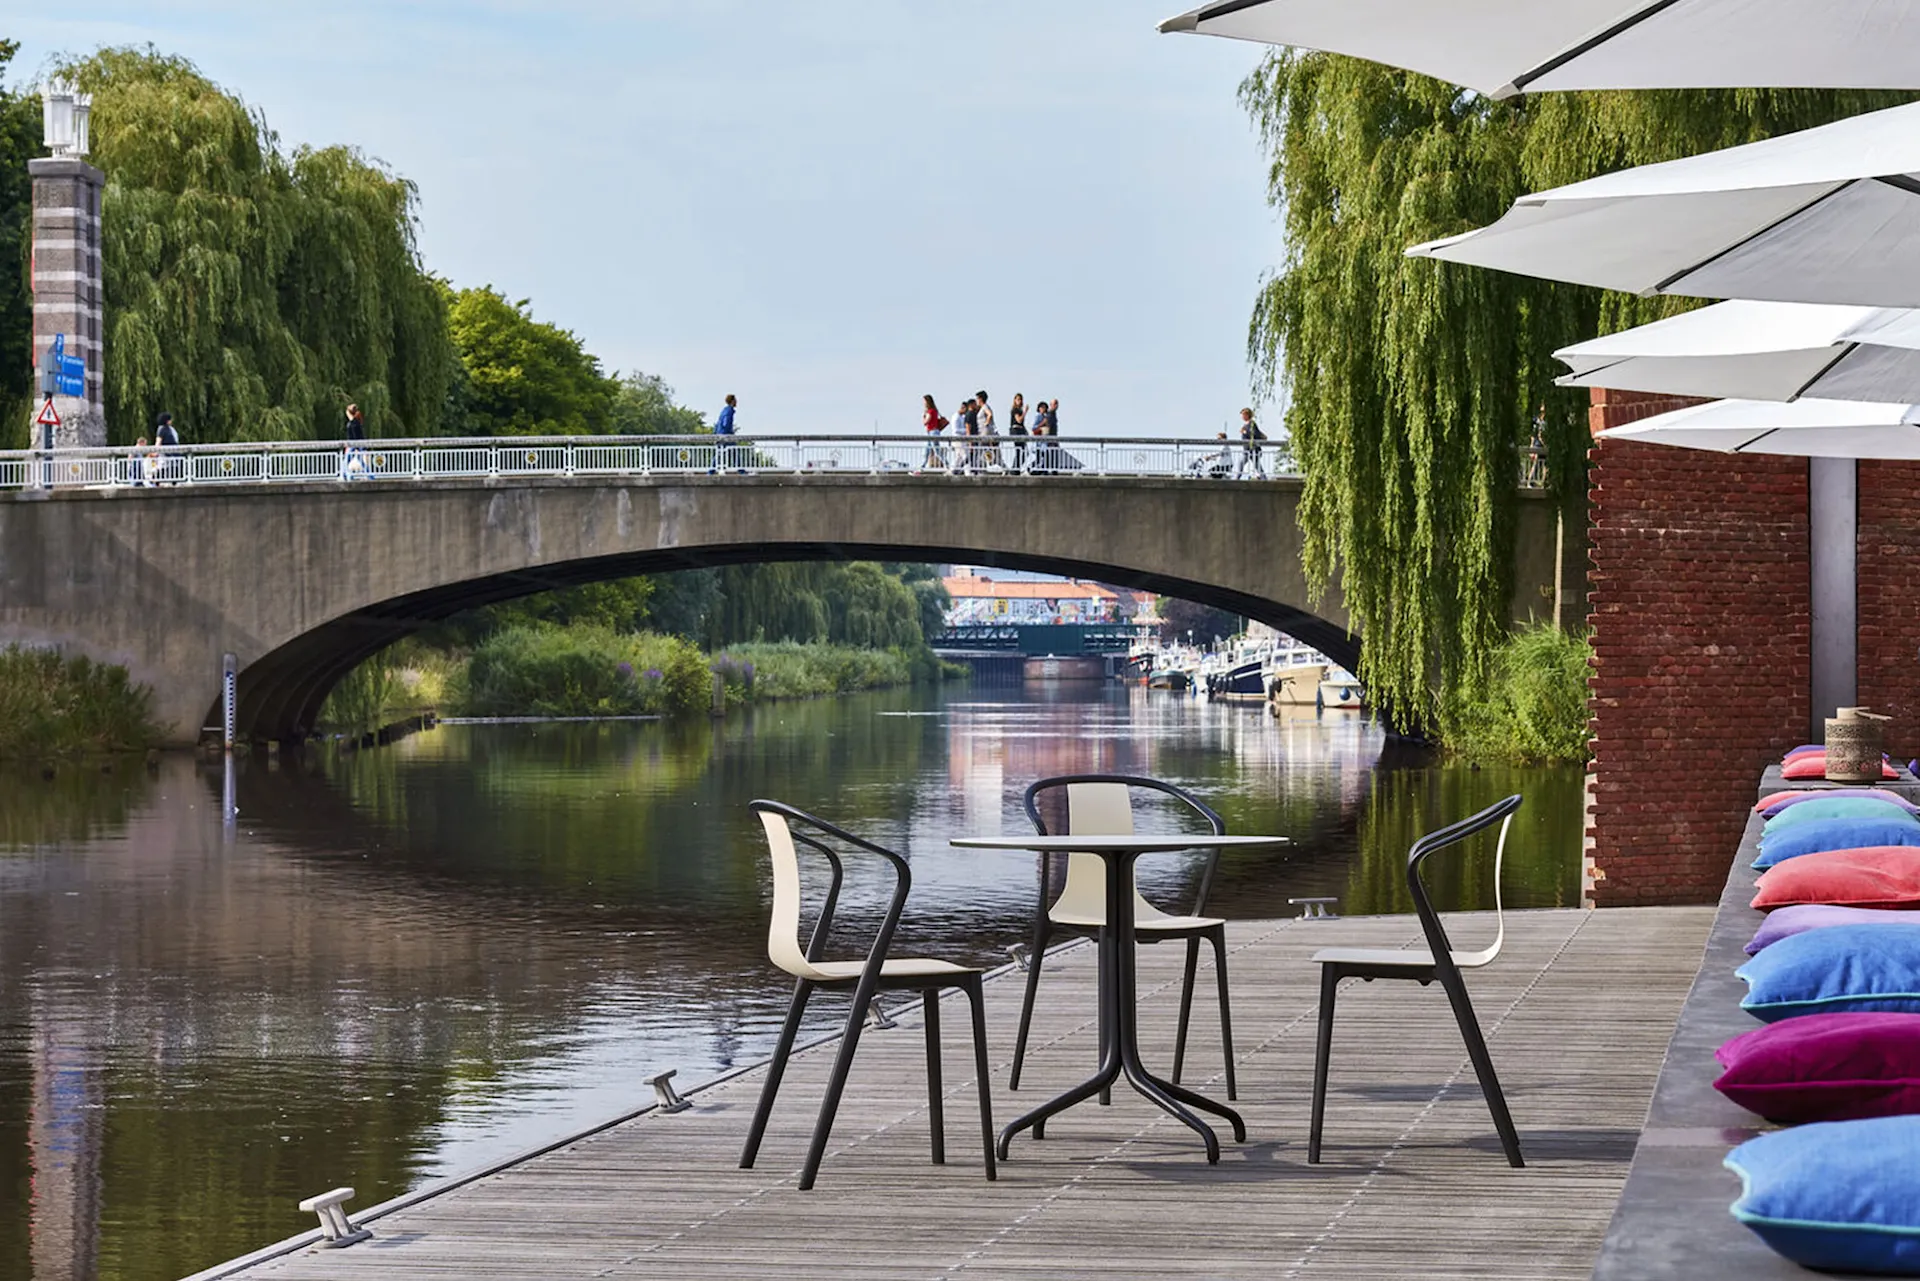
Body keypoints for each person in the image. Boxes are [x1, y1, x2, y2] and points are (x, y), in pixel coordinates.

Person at [1236, 406, 1267, 479]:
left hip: (1251, 449)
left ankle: (1237, 477)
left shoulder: (1251, 424)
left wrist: (1244, 432)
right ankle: (1264, 478)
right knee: (1256, 465)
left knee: (1243, 463)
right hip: (1247, 449)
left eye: (1243, 415)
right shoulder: (1246, 424)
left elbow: (1254, 434)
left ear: (1247, 415)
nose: (1242, 417)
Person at [920, 394, 949, 472]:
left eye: (924, 401)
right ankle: (922, 466)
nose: (924, 403)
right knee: (928, 450)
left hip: (932, 432)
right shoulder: (935, 411)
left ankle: (946, 464)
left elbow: (926, 422)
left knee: (936, 450)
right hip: (932, 432)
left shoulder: (931, 411)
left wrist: (924, 416)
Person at [342, 402, 369, 480]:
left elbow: (355, 435)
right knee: (360, 461)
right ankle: (370, 475)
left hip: (354, 445)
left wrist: (356, 446)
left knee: (346, 461)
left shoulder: (354, 423)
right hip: (355, 444)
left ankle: (346, 475)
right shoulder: (354, 422)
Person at [976, 390, 1001, 470]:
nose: (976, 401)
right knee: (986, 452)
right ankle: (985, 466)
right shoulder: (982, 408)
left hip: (985, 434)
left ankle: (985, 466)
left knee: (983, 451)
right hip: (983, 434)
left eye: (977, 399)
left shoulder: (985, 407)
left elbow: (989, 414)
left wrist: (986, 423)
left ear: (980, 399)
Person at [154, 411, 182, 483]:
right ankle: (156, 481)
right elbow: (158, 441)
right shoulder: (162, 429)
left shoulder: (169, 428)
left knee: (173, 467)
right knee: (165, 467)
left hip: (173, 452)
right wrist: (156, 451)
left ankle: (173, 481)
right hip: (166, 452)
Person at [714, 393, 739, 471]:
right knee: (733, 452)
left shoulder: (724, 410)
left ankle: (711, 470)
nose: (736, 402)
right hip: (725, 435)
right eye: (735, 400)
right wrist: (730, 433)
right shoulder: (729, 410)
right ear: (732, 401)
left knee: (719, 453)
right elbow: (726, 423)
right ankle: (740, 469)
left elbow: (718, 423)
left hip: (720, 433)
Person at [1008, 393, 1028, 472]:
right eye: (1018, 399)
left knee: (1023, 452)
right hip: (1016, 431)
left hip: (1020, 431)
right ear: (1015, 400)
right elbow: (1018, 420)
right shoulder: (1015, 409)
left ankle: (1016, 469)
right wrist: (1025, 412)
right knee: (1019, 451)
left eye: (1020, 399)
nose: (1019, 401)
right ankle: (1014, 469)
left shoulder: (1020, 410)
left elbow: (1021, 423)